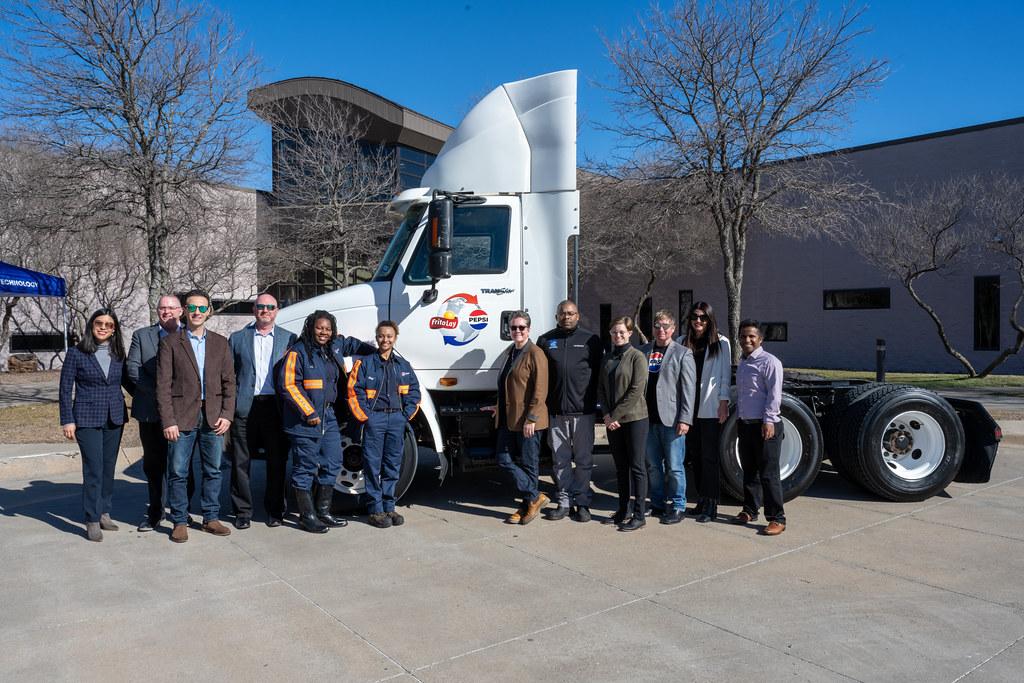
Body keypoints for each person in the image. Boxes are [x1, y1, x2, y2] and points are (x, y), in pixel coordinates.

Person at [156, 289, 236, 543]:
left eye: (202, 308)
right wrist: (168, 420)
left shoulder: (220, 343)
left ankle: (210, 517)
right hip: (181, 417)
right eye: (193, 308)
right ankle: (179, 521)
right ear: (185, 311)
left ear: (209, 311)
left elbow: (229, 383)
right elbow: (163, 386)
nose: (197, 313)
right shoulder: (170, 343)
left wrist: (227, 414)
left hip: (214, 417)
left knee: (213, 470)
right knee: (178, 471)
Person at [125, 295, 195, 531]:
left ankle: (182, 511)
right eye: (162, 308)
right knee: (154, 466)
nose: (167, 312)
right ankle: (155, 512)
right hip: (151, 412)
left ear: (181, 311)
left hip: (185, 413)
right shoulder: (142, 336)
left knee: (183, 466)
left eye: (171, 308)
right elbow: (133, 369)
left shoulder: (191, 335)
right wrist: (162, 392)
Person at [59, 308, 129, 542]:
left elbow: (127, 381)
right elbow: (65, 389)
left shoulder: (119, 353)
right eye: (99, 323)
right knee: (94, 468)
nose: (103, 327)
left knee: (109, 467)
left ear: (114, 329)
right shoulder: (77, 354)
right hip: (86, 418)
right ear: (91, 325)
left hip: (114, 417)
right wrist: (67, 419)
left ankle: (104, 511)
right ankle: (91, 517)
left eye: (109, 325)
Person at [278, 310, 350, 533]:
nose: (324, 332)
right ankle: (307, 516)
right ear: (311, 327)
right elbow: (288, 385)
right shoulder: (298, 352)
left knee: (333, 461)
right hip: (304, 420)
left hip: (328, 417)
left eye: (328, 329)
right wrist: (309, 413)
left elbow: (352, 346)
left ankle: (324, 511)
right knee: (305, 468)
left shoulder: (329, 352)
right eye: (320, 327)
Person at [228, 293, 297, 529]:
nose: (265, 310)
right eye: (261, 307)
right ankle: (242, 511)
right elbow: (229, 376)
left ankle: (276, 510)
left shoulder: (290, 339)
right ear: (254, 310)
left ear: (277, 310)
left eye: (270, 307)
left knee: (277, 461)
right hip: (246, 407)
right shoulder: (237, 339)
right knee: (240, 462)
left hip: (276, 408)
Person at [347, 321, 422, 529]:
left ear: (395, 338)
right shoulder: (365, 364)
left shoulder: (403, 366)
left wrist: (405, 415)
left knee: (392, 464)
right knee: (372, 465)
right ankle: (375, 510)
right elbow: (354, 391)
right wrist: (367, 417)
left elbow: (414, 393)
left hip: (397, 420)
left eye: (389, 336)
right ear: (377, 337)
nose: (385, 340)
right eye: (381, 336)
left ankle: (389, 506)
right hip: (375, 420)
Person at [536, 299, 602, 523]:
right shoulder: (545, 340)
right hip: (556, 412)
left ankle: (582, 502)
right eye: (563, 313)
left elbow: (599, 375)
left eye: (571, 313)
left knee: (583, 460)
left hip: (583, 412)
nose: (567, 316)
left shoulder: (590, 340)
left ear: (578, 315)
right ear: (556, 316)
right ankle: (564, 502)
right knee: (560, 461)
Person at [482, 311, 549, 525]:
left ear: (529, 329)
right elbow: (509, 387)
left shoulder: (535, 353)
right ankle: (534, 497)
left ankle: (526, 504)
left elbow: (540, 389)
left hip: (529, 420)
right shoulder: (510, 352)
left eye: (521, 327)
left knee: (529, 465)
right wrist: (498, 407)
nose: (517, 331)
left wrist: (531, 418)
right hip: (509, 418)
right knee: (503, 459)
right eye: (513, 328)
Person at [732, 319, 786, 536]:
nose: (747, 340)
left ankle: (777, 518)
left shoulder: (770, 362)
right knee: (750, 471)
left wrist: (769, 420)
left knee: (768, 473)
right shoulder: (744, 362)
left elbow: (774, 394)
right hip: (745, 424)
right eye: (744, 336)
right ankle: (750, 509)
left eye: (752, 336)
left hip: (766, 426)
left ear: (760, 339)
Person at [640, 310, 695, 524]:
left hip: (672, 420)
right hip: (647, 420)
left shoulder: (683, 353)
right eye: (657, 326)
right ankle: (657, 503)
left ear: (673, 329)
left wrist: (685, 419)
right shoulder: (643, 351)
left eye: (665, 326)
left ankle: (678, 505)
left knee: (674, 466)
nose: (661, 330)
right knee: (653, 466)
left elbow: (688, 389)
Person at [681, 302, 732, 523]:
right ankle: (701, 499)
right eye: (694, 317)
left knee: (710, 457)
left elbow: (724, 375)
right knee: (696, 457)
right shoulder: (685, 342)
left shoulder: (721, 343)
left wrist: (723, 402)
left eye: (703, 317)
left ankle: (711, 503)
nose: (698, 321)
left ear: (710, 319)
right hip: (689, 407)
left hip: (710, 407)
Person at [597, 316, 649, 531]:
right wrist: (608, 415)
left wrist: (615, 415)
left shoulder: (637, 357)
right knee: (620, 468)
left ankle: (639, 514)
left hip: (635, 419)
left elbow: (636, 390)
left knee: (636, 467)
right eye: (614, 332)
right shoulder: (608, 358)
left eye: (622, 332)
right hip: (613, 421)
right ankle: (622, 510)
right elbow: (600, 388)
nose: (617, 336)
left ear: (630, 333)